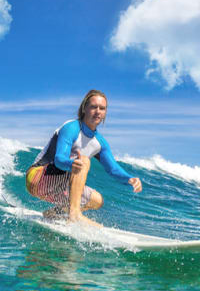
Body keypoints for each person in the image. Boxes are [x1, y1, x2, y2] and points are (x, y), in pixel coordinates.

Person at [25, 89, 142, 227]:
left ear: (105, 113)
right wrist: (72, 164)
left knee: (97, 200)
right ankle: (74, 215)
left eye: (102, 108)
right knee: (84, 161)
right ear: (84, 108)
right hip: (37, 178)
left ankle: (53, 213)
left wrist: (129, 179)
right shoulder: (72, 127)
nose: (98, 111)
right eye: (93, 107)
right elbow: (59, 159)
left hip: (58, 187)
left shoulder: (100, 143)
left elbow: (113, 169)